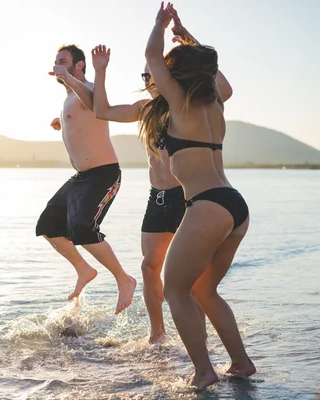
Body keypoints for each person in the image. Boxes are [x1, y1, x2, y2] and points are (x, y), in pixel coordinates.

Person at [91, 12, 233, 343]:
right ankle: (158, 333)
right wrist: (99, 73)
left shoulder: (192, 106)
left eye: (152, 73)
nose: (149, 78)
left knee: (190, 282)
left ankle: (199, 341)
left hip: (189, 197)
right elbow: (102, 110)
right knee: (149, 267)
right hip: (158, 197)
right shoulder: (145, 109)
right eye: (146, 75)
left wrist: (187, 40)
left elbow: (221, 85)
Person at [142, 3, 256, 390]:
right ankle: (240, 363)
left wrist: (161, 26)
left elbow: (151, 56)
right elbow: (212, 72)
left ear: (178, 74)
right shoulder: (214, 102)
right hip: (234, 204)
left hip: (207, 204)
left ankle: (203, 371)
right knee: (204, 289)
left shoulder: (182, 102)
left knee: (174, 288)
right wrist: (185, 33)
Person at [37, 44, 136, 314]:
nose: (57, 65)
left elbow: (95, 105)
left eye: (63, 61)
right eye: (56, 60)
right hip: (82, 177)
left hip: (103, 174)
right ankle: (84, 269)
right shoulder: (69, 96)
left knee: (82, 227)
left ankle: (124, 280)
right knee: (48, 224)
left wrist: (68, 78)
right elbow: (81, 118)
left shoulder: (90, 87)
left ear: (79, 65)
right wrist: (63, 122)